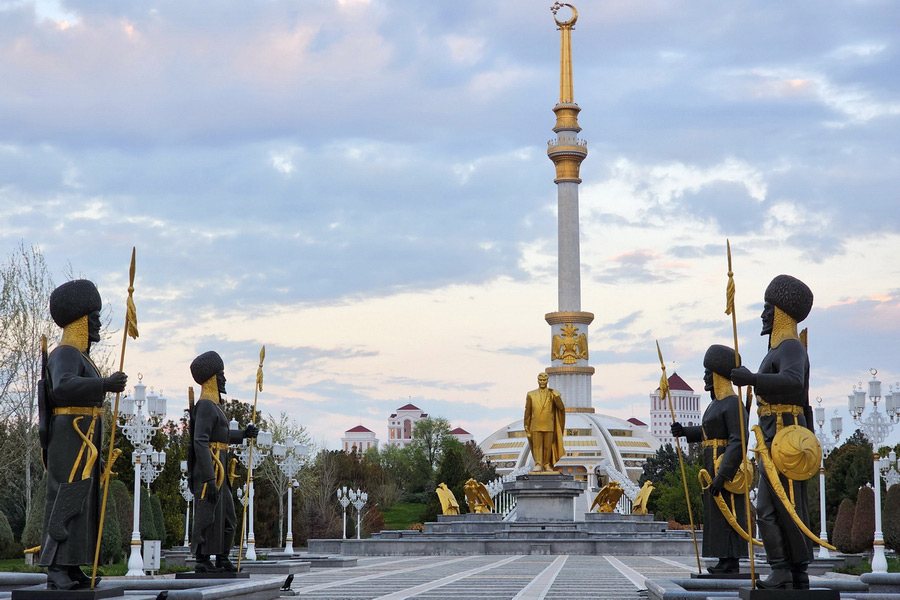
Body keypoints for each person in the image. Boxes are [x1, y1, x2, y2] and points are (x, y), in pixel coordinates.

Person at [39, 280, 128, 590]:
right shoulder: (64, 352)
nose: (99, 323)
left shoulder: (83, 357)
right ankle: (56, 567)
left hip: (84, 436)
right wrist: (104, 385)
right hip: (68, 434)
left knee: (84, 498)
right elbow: (62, 387)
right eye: (94, 317)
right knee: (67, 494)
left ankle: (73, 563)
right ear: (79, 319)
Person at [731, 274, 815, 590]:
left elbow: (794, 382)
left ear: (779, 311)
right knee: (773, 506)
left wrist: (753, 378)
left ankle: (787, 569)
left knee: (779, 505)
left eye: (768, 307)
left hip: (786, 436)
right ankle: (790, 570)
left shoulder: (791, 347)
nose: (763, 314)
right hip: (772, 436)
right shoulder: (775, 350)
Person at [671, 344, 748, 574]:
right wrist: (685, 431)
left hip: (726, 471)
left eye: (708, 373)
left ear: (718, 375)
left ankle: (732, 560)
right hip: (710, 466)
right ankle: (724, 559)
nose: (704, 378)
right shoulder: (715, 404)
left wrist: (723, 474)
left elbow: (738, 440)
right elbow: (707, 432)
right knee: (716, 515)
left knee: (729, 512)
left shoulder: (733, 403)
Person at [188, 351, 258, 573]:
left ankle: (222, 557)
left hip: (220, 469)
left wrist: (244, 434)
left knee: (227, 516)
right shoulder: (206, 405)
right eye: (221, 375)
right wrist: (208, 478)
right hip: (210, 472)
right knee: (209, 514)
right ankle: (202, 559)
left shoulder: (216, 407)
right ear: (211, 379)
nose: (224, 380)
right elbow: (200, 441)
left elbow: (223, 436)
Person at [524, 372, 566, 472]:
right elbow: (527, 412)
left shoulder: (553, 394)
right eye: (540, 380)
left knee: (548, 446)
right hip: (535, 425)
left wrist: (557, 396)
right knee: (537, 446)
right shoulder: (531, 394)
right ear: (537, 381)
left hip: (549, 425)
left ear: (547, 381)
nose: (542, 382)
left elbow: (561, 407)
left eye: (544, 380)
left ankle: (547, 464)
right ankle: (538, 464)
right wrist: (527, 427)